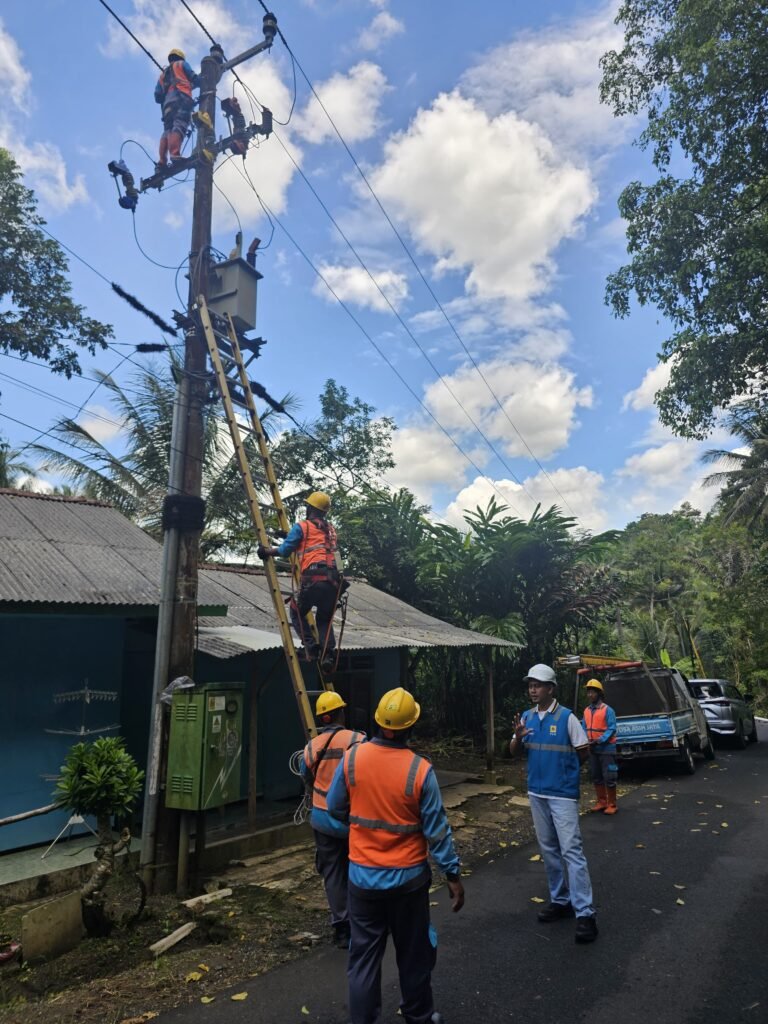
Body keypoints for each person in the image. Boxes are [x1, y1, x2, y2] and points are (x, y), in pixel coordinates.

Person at [327, 687, 464, 1024]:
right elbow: (437, 831)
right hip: (407, 883)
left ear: (377, 722)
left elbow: (334, 808)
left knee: (363, 960)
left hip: (362, 881)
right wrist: (453, 874)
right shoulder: (420, 771)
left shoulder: (353, 759)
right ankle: (418, 1016)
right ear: (410, 727)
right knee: (414, 955)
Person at [509, 663, 598, 943]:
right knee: (548, 849)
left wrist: (564, 773)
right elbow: (512, 751)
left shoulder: (568, 718)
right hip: (536, 793)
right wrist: (518, 739)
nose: (533, 689)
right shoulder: (526, 717)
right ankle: (561, 901)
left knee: (571, 850)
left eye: (538, 685)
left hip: (562, 794)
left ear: (551, 688)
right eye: (530, 685)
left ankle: (585, 913)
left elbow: (583, 751)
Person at [300, 691, 365, 948]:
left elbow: (305, 777)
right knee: (357, 869)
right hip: (351, 819)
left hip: (322, 819)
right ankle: (362, 920)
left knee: (333, 874)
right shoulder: (358, 740)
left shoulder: (311, 747)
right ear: (341, 713)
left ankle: (341, 927)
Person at [258, 491, 344, 672]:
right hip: (334, 582)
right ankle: (327, 654)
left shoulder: (302, 526)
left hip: (313, 579)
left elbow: (285, 551)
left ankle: (311, 648)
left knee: (296, 611)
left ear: (310, 508)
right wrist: (288, 536)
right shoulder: (331, 530)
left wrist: (266, 552)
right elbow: (318, 545)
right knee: (324, 619)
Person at [154, 48, 200, 171]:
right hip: (181, 99)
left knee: (167, 130)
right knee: (179, 124)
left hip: (167, 107)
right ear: (181, 57)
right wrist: (205, 82)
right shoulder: (182, 64)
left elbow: (157, 96)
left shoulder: (162, 75)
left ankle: (162, 162)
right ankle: (174, 154)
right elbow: (193, 77)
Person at [582, 678, 619, 815]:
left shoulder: (607, 710)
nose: (590, 695)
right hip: (592, 749)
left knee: (610, 775)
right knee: (596, 775)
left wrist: (600, 740)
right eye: (588, 692)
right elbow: (583, 728)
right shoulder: (586, 711)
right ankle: (602, 802)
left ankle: (612, 804)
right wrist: (585, 741)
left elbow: (612, 728)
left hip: (607, 749)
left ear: (599, 693)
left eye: (592, 692)